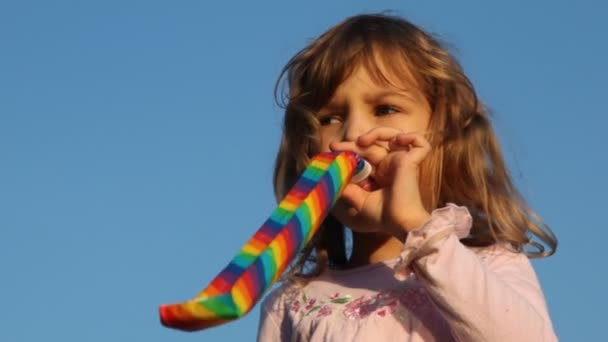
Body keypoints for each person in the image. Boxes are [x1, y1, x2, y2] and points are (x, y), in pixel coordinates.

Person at [257, 13, 558, 341]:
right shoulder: (291, 303)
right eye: (329, 118)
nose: (354, 133)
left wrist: (415, 226)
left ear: (443, 134)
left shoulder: (492, 267)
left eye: (385, 109)